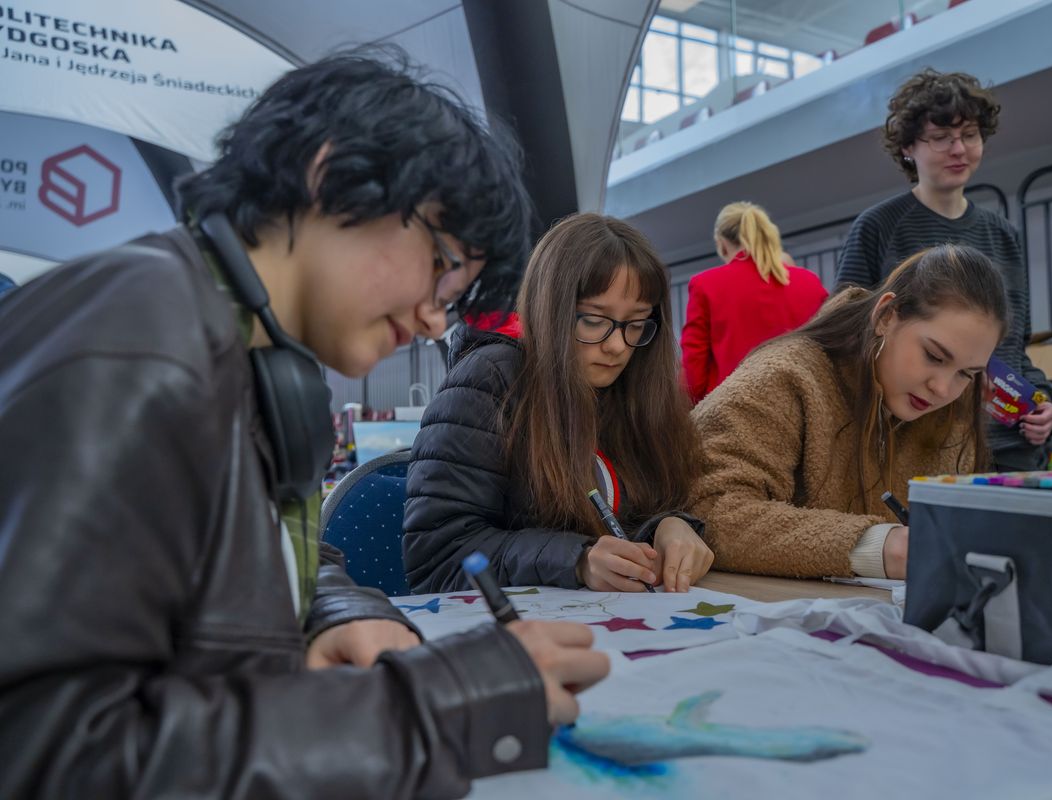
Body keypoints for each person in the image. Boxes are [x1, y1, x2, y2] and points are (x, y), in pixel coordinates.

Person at [0, 50, 608, 800]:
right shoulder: (142, 345)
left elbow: (226, 546)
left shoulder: (229, 343)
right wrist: (437, 706)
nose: (433, 319)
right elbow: (47, 755)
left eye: (455, 296)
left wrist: (334, 611)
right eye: (442, 263)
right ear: (331, 173)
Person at [405, 213, 713, 595]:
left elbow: (629, 513)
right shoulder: (488, 381)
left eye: (635, 324)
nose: (617, 346)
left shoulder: (633, 389)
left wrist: (669, 526)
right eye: (593, 321)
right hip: (507, 625)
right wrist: (577, 561)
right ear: (550, 309)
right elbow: (438, 559)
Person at [692, 244, 1008, 580]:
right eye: (934, 356)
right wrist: (876, 546)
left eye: (966, 373)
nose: (943, 389)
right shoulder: (783, 378)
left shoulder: (954, 410)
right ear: (886, 316)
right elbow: (708, 511)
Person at [835, 68, 1052, 471]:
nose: (959, 149)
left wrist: (1042, 400)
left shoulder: (1004, 234)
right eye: (940, 137)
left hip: (1007, 444)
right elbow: (847, 336)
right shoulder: (878, 226)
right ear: (908, 147)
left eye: (970, 135)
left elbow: (1015, 348)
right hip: (920, 443)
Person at [681, 201, 828, 404]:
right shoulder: (810, 282)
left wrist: (698, 403)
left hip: (734, 407)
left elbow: (694, 360)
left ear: (722, 243)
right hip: (801, 404)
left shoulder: (705, 284)